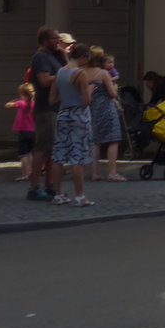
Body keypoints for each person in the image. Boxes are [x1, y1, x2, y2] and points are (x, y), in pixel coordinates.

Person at [27, 26, 69, 202]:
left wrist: (63, 56)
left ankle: (49, 185)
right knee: (42, 147)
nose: (57, 41)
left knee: (53, 148)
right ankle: (34, 187)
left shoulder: (55, 56)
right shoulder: (40, 57)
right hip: (46, 108)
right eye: (53, 38)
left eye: (58, 38)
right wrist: (61, 73)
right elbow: (44, 81)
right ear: (44, 41)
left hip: (57, 107)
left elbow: (69, 70)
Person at [50, 43, 94, 206]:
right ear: (82, 58)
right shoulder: (80, 74)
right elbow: (86, 101)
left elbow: (52, 99)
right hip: (79, 116)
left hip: (63, 114)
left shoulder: (60, 72)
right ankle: (80, 196)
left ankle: (58, 194)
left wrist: (66, 97)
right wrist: (89, 91)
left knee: (59, 154)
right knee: (77, 156)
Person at [87, 47, 125, 182]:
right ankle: (112, 172)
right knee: (113, 139)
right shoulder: (103, 73)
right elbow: (112, 93)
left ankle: (95, 173)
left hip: (93, 109)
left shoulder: (83, 72)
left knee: (95, 142)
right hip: (106, 108)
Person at [4, 83, 36, 181]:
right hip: (33, 131)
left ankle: (25, 173)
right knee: (30, 153)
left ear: (22, 94)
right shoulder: (34, 103)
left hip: (23, 131)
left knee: (23, 154)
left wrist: (15, 101)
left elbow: (7, 105)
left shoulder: (21, 103)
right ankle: (32, 172)